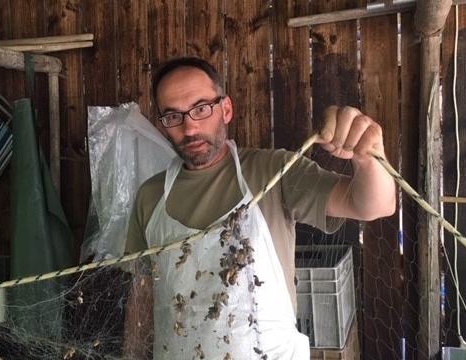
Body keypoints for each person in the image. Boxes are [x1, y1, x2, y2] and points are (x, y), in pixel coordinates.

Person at [123, 57, 395, 359]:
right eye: (173, 116)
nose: (190, 127)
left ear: (226, 109)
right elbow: (142, 294)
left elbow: (373, 205)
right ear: (162, 124)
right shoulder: (150, 197)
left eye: (201, 109)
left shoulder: (272, 171)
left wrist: (368, 157)